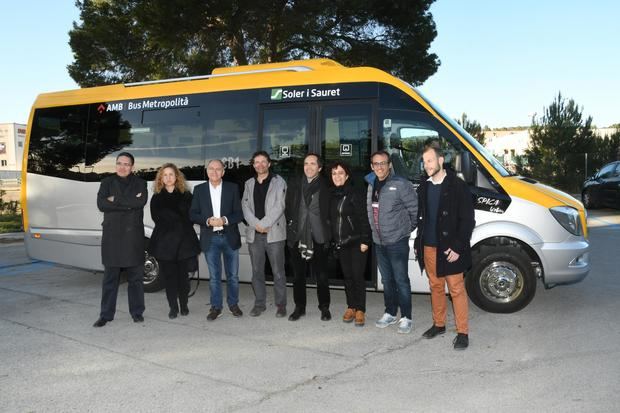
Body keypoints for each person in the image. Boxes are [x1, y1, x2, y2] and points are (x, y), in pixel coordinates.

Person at [415, 140, 475, 350]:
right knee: (436, 287)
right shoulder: (424, 185)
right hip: (429, 247)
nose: (427, 165)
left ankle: (463, 332)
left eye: (430, 160)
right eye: (424, 162)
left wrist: (458, 247)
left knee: (456, 290)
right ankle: (439, 324)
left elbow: (467, 220)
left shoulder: (457, 186)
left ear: (441, 160)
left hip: (450, 249)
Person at [365, 150, 418, 334]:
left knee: (401, 280)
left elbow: (414, 210)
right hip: (379, 241)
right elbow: (369, 211)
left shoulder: (400, 184)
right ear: (372, 166)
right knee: (387, 280)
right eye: (376, 163)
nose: (379, 166)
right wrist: (374, 232)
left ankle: (406, 317)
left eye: (383, 163)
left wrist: (404, 231)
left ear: (389, 165)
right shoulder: (371, 183)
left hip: (397, 241)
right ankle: (390, 312)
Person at [93, 152, 148, 327]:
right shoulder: (106, 182)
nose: (122, 167)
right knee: (110, 280)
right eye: (119, 163)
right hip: (112, 238)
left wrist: (114, 200)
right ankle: (106, 315)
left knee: (136, 280)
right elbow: (101, 205)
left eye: (126, 164)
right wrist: (128, 203)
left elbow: (140, 203)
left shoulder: (141, 183)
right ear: (116, 165)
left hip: (133, 239)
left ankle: (137, 312)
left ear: (132, 167)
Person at [190, 159, 243, 321]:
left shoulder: (232, 188)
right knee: (214, 277)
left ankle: (233, 304)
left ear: (223, 172)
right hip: (210, 238)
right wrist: (207, 221)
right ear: (207, 171)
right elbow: (193, 214)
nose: (214, 172)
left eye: (218, 169)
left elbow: (239, 214)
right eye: (211, 169)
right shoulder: (199, 190)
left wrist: (224, 220)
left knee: (233, 275)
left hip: (230, 237)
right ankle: (216, 307)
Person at [148, 163, 201, 319]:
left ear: (177, 176)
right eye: (165, 175)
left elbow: (191, 217)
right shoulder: (157, 197)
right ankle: (173, 307)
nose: (168, 177)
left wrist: (173, 218)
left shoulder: (186, 195)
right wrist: (177, 218)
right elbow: (156, 218)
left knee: (183, 278)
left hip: (184, 242)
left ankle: (184, 305)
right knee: (169, 278)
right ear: (161, 178)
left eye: (171, 174)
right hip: (165, 244)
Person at [285, 153, 332, 321]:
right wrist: (291, 224)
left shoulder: (326, 185)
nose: (309, 167)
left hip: (319, 236)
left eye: (313, 164)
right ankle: (300, 307)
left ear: (319, 168)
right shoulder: (295, 184)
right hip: (297, 236)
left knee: (322, 275)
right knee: (298, 276)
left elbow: (330, 212)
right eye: (306, 163)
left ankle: (324, 307)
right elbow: (288, 207)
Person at [242, 151, 288, 318]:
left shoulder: (279, 181)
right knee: (256, 272)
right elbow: (245, 208)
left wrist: (264, 224)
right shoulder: (248, 183)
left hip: (274, 233)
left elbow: (280, 206)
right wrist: (257, 225)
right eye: (256, 162)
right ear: (253, 165)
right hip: (255, 235)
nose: (260, 165)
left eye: (263, 162)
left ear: (269, 164)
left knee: (278, 272)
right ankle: (259, 304)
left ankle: (281, 305)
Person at [329, 161, 371, 326]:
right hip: (341, 243)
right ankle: (351, 306)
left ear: (347, 176)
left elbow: (363, 218)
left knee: (357, 276)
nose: (337, 176)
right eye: (334, 173)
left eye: (340, 173)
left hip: (357, 242)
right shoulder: (332, 194)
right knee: (347, 277)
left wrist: (365, 240)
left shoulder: (355, 193)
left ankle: (360, 309)